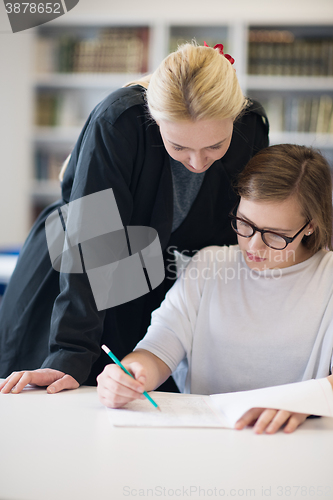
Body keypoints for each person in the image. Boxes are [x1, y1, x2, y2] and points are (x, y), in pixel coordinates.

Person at [0, 42, 268, 394]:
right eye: (179, 147)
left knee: (140, 398)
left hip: (158, 282)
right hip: (74, 280)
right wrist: (69, 353)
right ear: (155, 120)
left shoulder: (251, 128)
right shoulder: (119, 120)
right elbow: (92, 244)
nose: (198, 162)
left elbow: (239, 234)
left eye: (215, 147)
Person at [96, 144, 333, 434]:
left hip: (299, 446)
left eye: (275, 235)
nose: (253, 246)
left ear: (310, 226)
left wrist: (301, 401)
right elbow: (158, 348)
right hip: (208, 445)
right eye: (245, 223)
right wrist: (132, 374)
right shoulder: (209, 264)